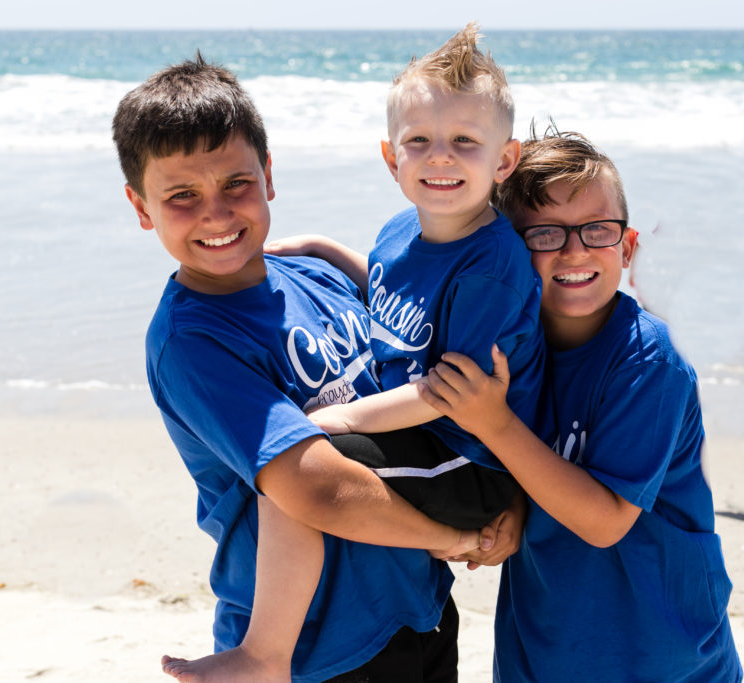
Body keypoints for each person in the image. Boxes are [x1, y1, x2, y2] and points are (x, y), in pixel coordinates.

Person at [112, 54, 516, 683]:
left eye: (236, 184)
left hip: (419, 608)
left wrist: (501, 511)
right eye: (182, 196)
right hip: (317, 651)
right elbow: (314, 487)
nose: (217, 214)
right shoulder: (193, 342)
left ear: (268, 176)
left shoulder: (316, 277)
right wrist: (459, 538)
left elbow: (406, 323)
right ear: (142, 208)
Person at [247, 21, 546, 680]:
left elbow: (445, 393)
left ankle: (264, 650)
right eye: (420, 141)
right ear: (392, 158)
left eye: (465, 142)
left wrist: (344, 419)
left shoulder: (492, 264)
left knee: (295, 465)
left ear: (504, 160)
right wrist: (328, 248)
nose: (440, 158)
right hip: (421, 440)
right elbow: (391, 296)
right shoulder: (399, 229)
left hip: (467, 459)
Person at [420, 125, 743, 681]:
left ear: (628, 247)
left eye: (597, 230)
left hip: (661, 654)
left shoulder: (648, 361)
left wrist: (494, 424)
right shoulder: (509, 351)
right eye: (543, 234)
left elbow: (605, 520)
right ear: (506, 253)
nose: (574, 250)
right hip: (542, 647)